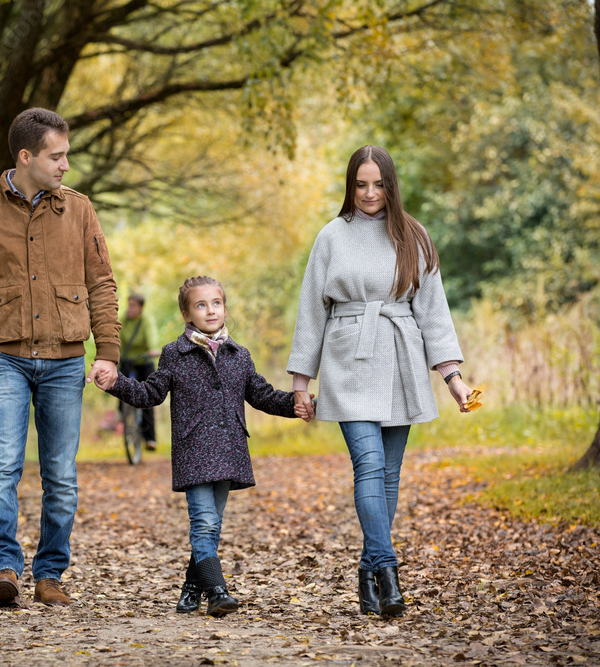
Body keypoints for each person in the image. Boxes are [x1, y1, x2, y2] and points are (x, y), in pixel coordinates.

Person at [0, 107, 121, 609]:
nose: (66, 164)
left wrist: (107, 351)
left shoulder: (80, 210)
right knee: (2, 468)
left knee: (61, 475)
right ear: (26, 157)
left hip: (66, 360)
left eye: (66, 155)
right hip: (2, 358)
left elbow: (102, 283)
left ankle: (50, 575)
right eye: (56, 156)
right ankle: (3, 567)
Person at [287, 145, 474, 618]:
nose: (370, 193)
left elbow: (434, 312)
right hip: (349, 356)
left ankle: (368, 569)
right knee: (369, 466)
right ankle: (388, 569)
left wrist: (452, 377)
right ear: (350, 186)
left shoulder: (414, 236)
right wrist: (300, 383)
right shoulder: (331, 236)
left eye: (379, 184)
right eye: (360, 184)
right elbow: (312, 310)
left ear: (391, 185)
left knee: (390, 474)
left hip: (401, 358)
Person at [94, 276, 302, 616]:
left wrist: (299, 403)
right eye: (201, 305)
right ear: (186, 313)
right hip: (193, 452)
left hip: (230, 450)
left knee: (212, 524)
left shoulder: (239, 355)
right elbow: (150, 394)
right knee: (204, 523)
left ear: (224, 308)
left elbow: (263, 396)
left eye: (216, 303)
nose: (210, 310)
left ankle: (191, 589)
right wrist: (117, 382)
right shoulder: (175, 354)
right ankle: (217, 591)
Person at [118, 292, 160, 450]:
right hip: (127, 360)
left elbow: (152, 335)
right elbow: (116, 337)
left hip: (144, 360)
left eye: (133, 305)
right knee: (120, 390)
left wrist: (153, 349)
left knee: (148, 398)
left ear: (141, 307)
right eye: (129, 305)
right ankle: (123, 414)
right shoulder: (124, 320)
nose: (130, 308)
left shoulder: (146, 320)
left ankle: (150, 439)